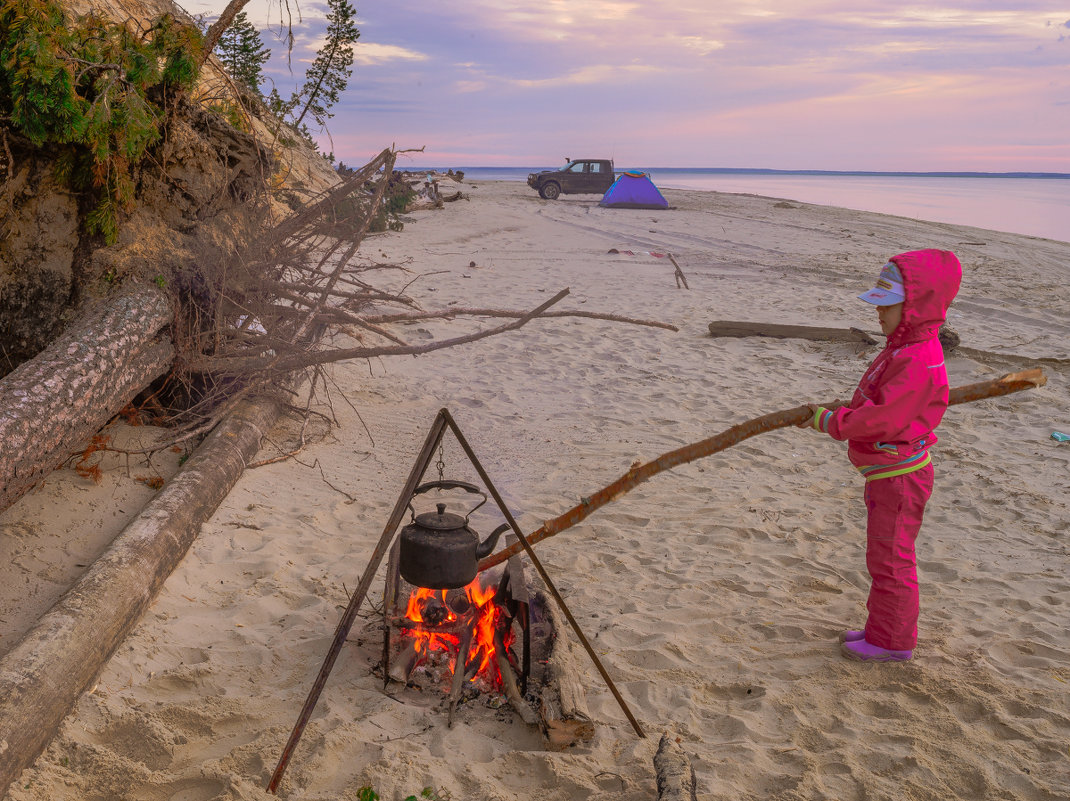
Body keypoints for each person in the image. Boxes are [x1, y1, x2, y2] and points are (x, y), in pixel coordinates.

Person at [799, 249, 962, 662]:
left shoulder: (915, 356)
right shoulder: (906, 347)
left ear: (915, 307)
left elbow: (882, 418)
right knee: (883, 557)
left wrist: (831, 422)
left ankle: (893, 643)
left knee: (891, 561)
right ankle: (882, 629)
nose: (879, 315)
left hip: (899, 475)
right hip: (888, 471)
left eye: (887, 307)